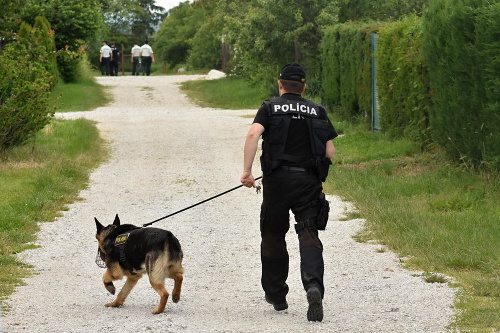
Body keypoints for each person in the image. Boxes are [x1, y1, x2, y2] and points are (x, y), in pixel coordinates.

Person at [240, 63, 337, 322]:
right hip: (307, 182)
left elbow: (253, 135)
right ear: (304, 87)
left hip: (277, 182)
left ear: (280, 85)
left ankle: (276, 294)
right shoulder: (318, 111)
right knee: (308, 232)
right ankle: (313, 286)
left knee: (273, 234)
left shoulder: (270, 107)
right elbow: (329, 152)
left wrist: (247, 173)